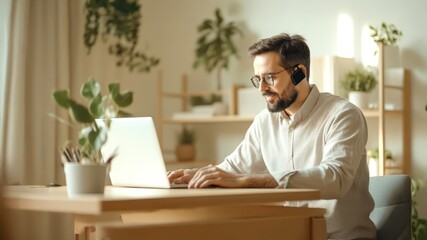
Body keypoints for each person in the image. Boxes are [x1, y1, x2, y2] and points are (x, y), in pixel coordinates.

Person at [168, 33, 376, 239]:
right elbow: (232, 169)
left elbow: (335, 179)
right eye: (257, 79)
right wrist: (195, 176)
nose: (262, 89)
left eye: (270, 78)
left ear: (299, 73)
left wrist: (250, 181)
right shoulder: (264, 121)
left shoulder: (343, 115)